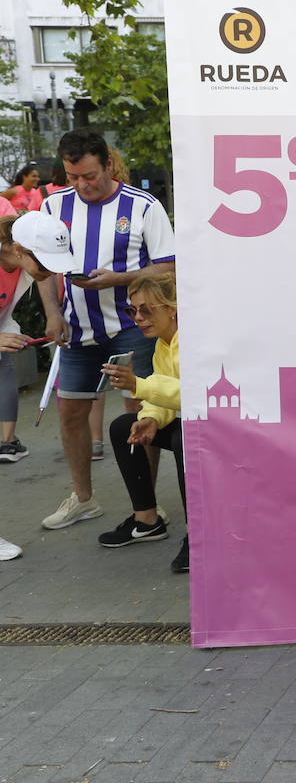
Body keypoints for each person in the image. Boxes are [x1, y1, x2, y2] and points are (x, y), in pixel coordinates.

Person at [35, 129, 175, 531]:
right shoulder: (52, 206)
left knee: (140, 410)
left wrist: (118, 279)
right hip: (76, 328)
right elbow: (42, 269)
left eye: (90, 176)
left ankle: (145, 505)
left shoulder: (143, 205)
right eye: (72, 176)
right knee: (71, 413)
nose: (82, 185)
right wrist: (52, 313)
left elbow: (168, 266)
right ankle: (82, 498)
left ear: (108, 165)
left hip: (133, 326)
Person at [0, 211, 79, 559]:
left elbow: (40, 279)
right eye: (44, 262)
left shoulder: (22, 265)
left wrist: (44, 317)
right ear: (18, 249)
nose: (50, 270)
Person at [98, 271, 187, 571]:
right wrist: (149, 418)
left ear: (172, 307)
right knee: (124, 425)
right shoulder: (165, 343)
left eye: (147, 309)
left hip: (226, 424)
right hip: (201, 420)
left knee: (184, 438)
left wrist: (138, 385)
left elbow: (196, 394)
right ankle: (147, 520)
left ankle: (198, 535)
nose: (138, 317)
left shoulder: (192, 338)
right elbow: (165, 388)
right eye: (132, 310)